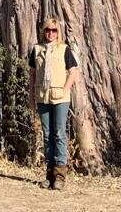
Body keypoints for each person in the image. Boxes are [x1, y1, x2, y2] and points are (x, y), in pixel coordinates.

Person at [29, 16, 79, 191]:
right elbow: (32, 75)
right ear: (44, 31)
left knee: (59, 134)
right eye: (48, 30)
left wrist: (65, 90)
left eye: (54, 30)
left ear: (59, 32)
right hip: (42, 97)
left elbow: (73, 72)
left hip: (60, 98)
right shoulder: (36, 49)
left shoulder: (64, 49)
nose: (50, 33)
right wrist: (31, 96)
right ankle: (49, 175)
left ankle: (60, 176)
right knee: (47, 135)